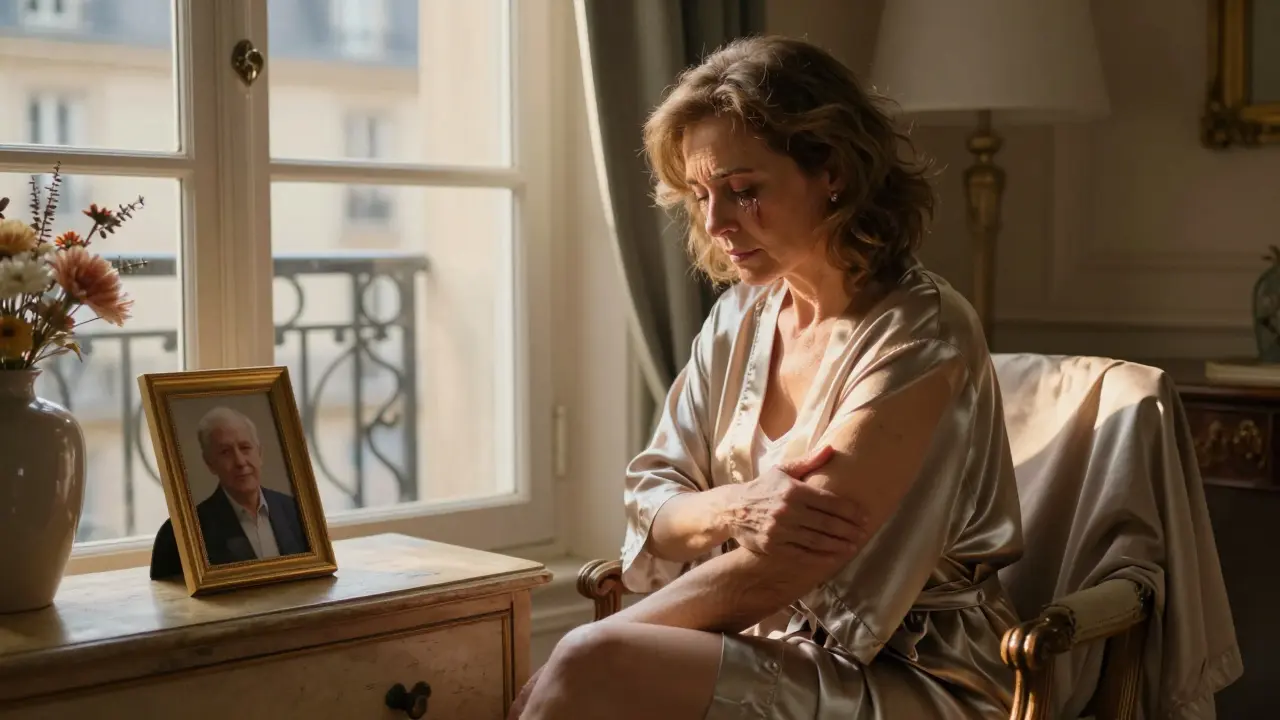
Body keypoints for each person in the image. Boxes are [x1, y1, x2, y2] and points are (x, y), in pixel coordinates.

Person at [511, 36, 1024, 720]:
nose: (717, 223)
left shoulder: (921, 335)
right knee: (588, 665)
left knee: (585, 660)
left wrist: (594, 638)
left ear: (833, 169)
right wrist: (736, 506)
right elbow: (652, 501)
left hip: (916, 673)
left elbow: (782, 568)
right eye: (700, 195)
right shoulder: (739, 315)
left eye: (744, 191)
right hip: (765, 644)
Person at [191, 406, 308, 565]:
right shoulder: (192, 531)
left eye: (245, 448)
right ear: (210, 463)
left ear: (259, 454)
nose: (240, 462)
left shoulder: (297, 511)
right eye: (225, 452)